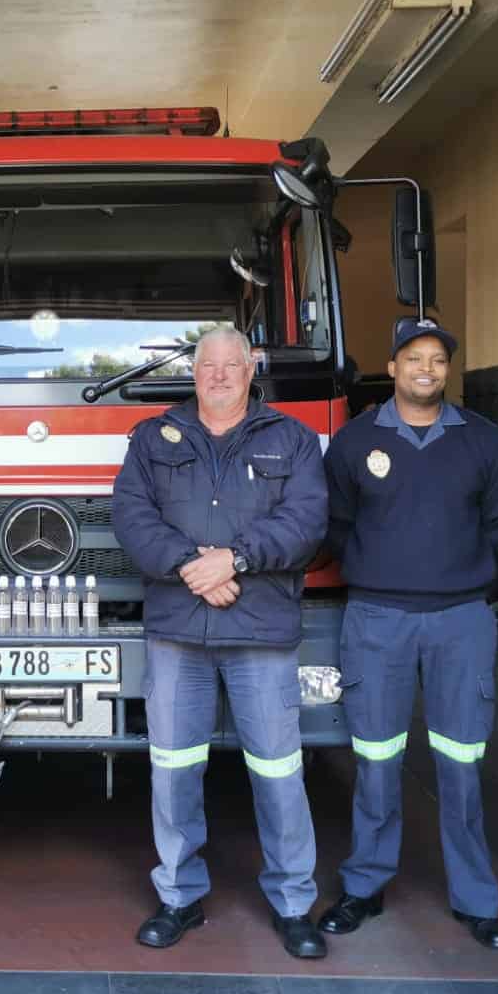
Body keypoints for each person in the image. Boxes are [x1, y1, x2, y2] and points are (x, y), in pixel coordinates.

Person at [112, 327, 330, 958]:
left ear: (251, 368)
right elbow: (132, 516)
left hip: (260, 630)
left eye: (231, 364)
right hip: (179, 631)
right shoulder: (153, 438)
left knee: (279, 771)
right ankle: (179, 894)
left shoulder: (292, 438)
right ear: (194, 370)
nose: (218, 374)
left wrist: (232, 559)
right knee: (174, 771)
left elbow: (305, 522)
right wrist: (192, 566)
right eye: (208, 364)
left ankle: (293, 902)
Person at [319, 316, 498, 950]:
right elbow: (336, 525)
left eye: (437, 359)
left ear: (447, 370)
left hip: (461, 618)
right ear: (393, 366)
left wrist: (463, 577)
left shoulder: (482, 439)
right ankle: (364, 885)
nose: (426, 369)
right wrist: (382, 568)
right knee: (376, 760)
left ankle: (476, 898)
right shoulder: (354, 441)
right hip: (377, 617)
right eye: (413, 358)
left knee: (461, 763)